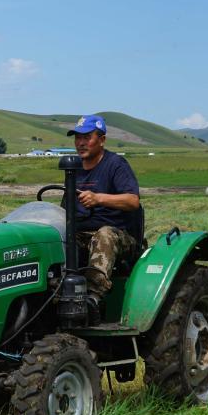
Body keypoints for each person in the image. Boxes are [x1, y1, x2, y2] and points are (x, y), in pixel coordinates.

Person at [66, 115, 141, 308]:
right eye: (77, 138)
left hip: (119, 235)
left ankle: (93, 297)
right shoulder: (74, 169)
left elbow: (133, 201)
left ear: (102, 140)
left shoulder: (115, 164)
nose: (80, 143)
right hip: (82, 232)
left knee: (104, 234)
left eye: (87, 137)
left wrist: (99, 198)